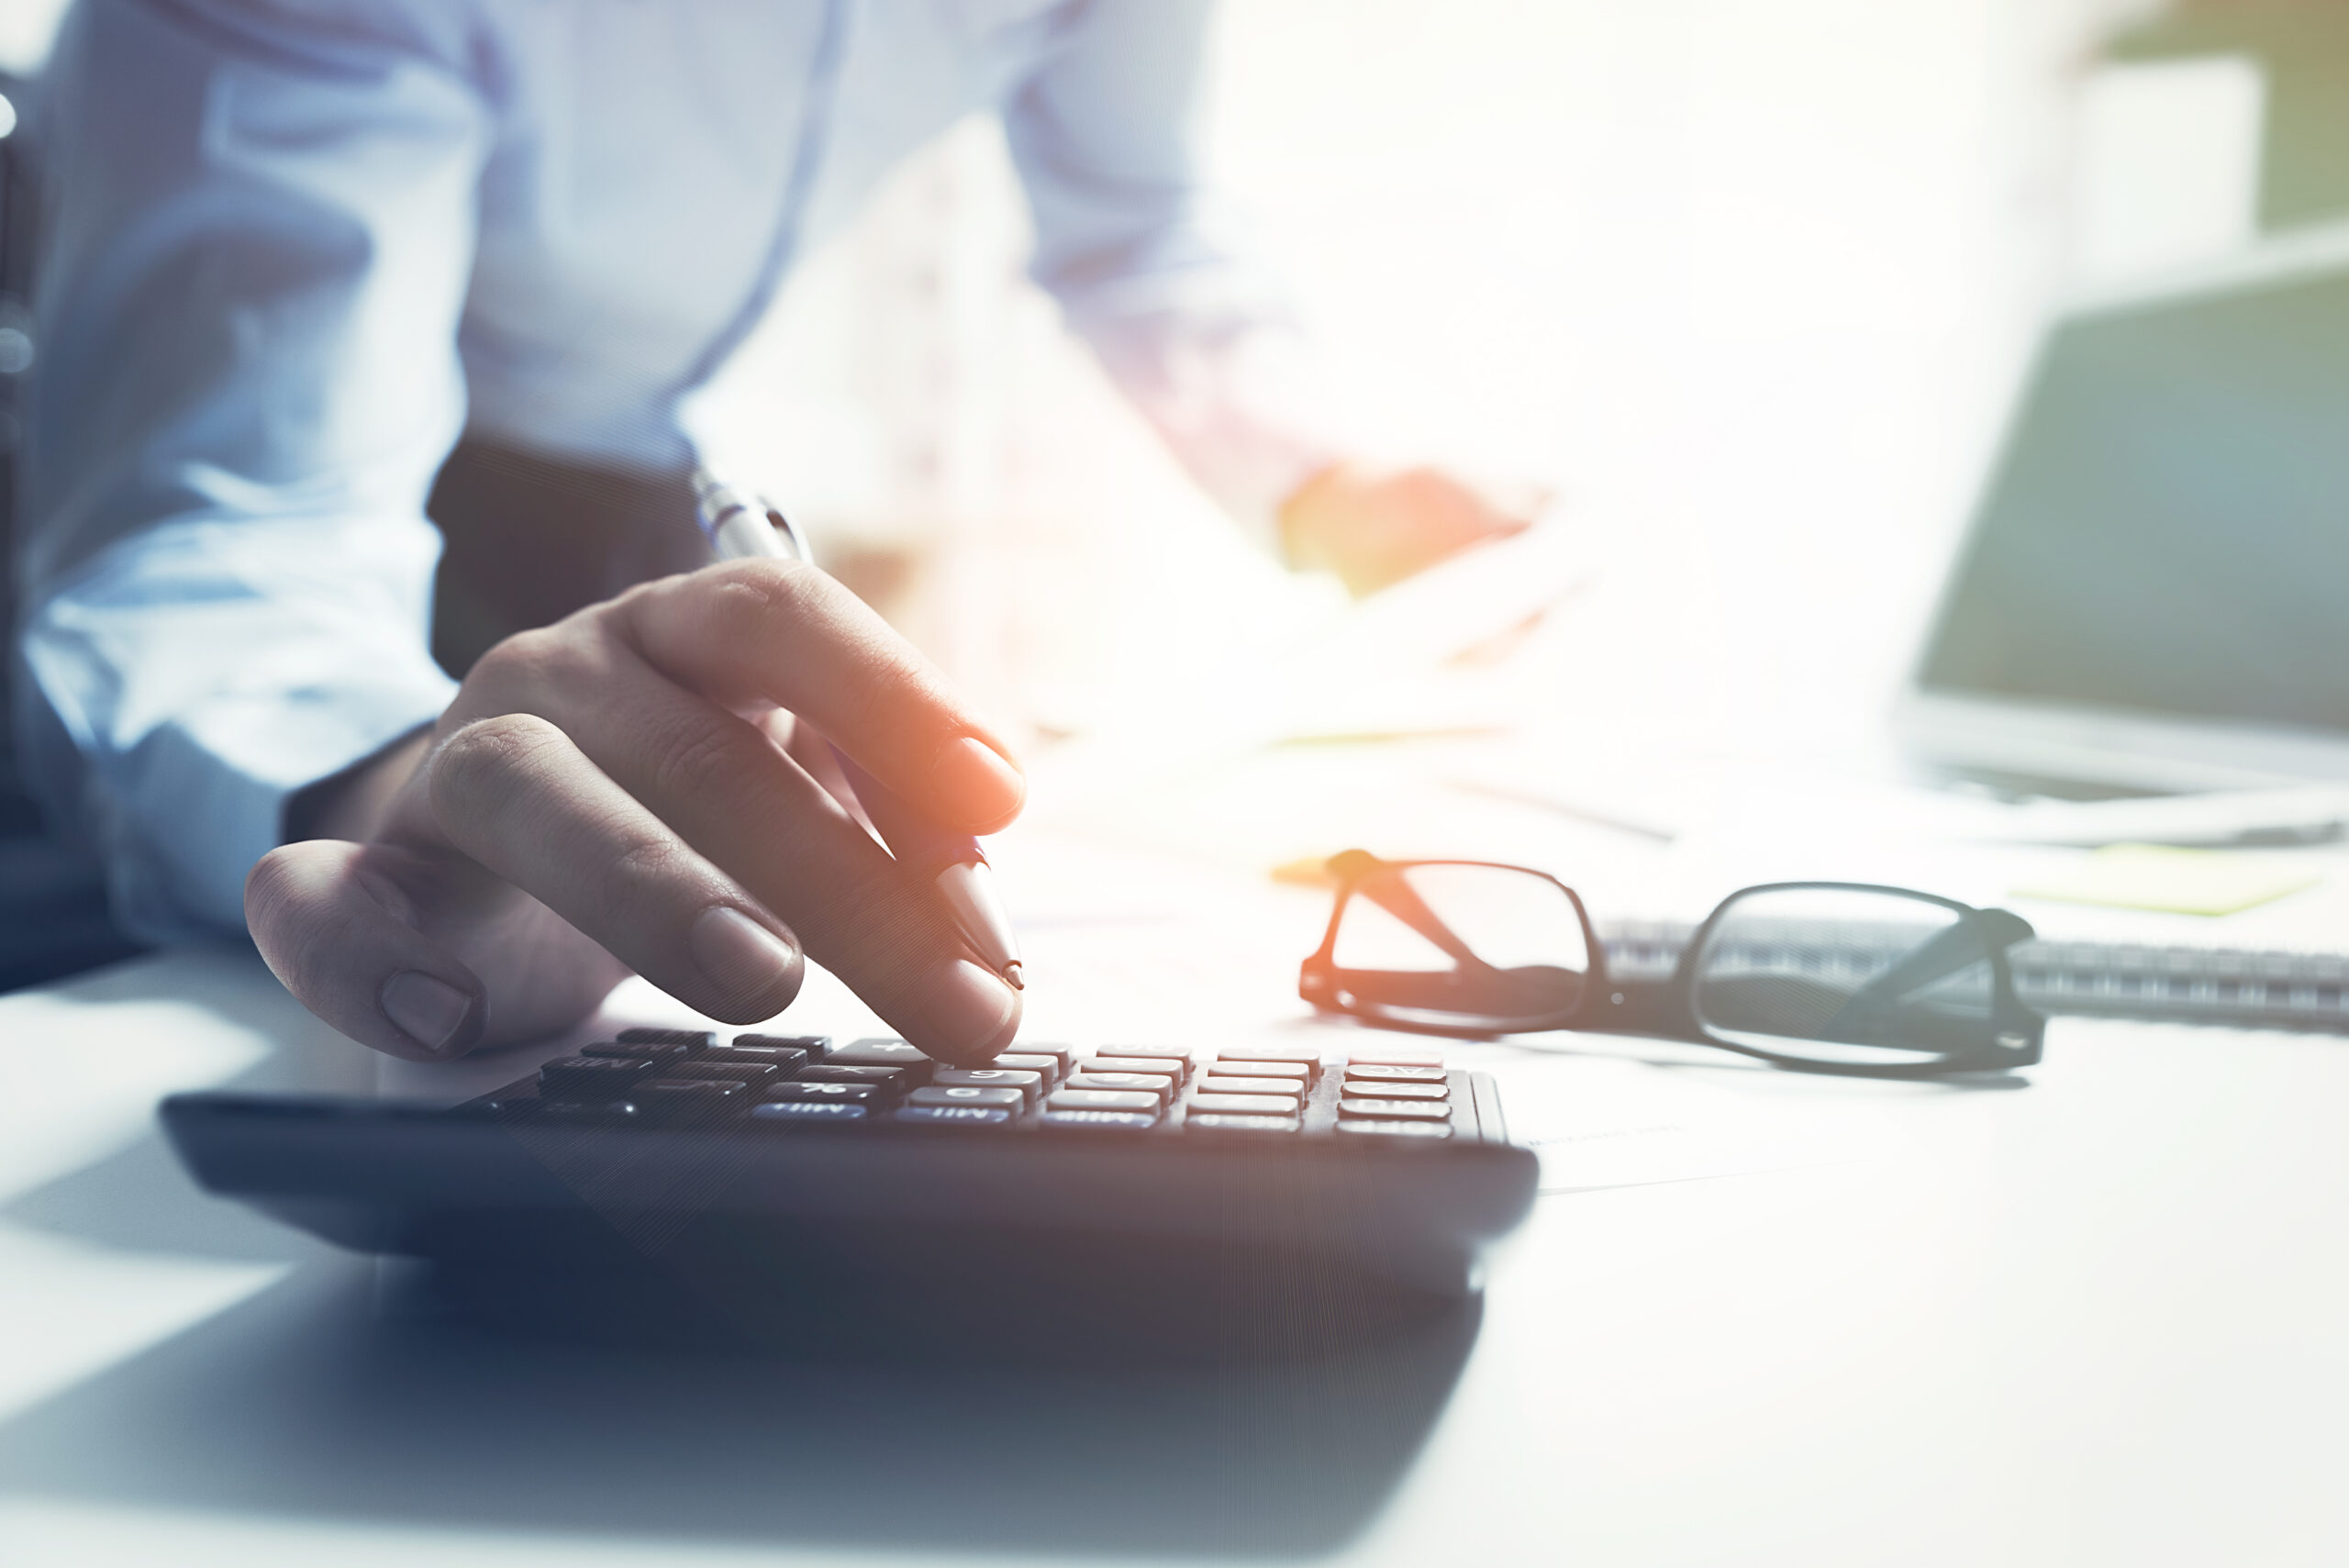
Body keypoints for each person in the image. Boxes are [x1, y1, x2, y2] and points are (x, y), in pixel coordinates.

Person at [16, 0, 1528, 1067]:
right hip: (298, 515)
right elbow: (227, 525)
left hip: (615, 495)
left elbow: (1135, 216)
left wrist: (1334, 486)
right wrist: (374, 784)